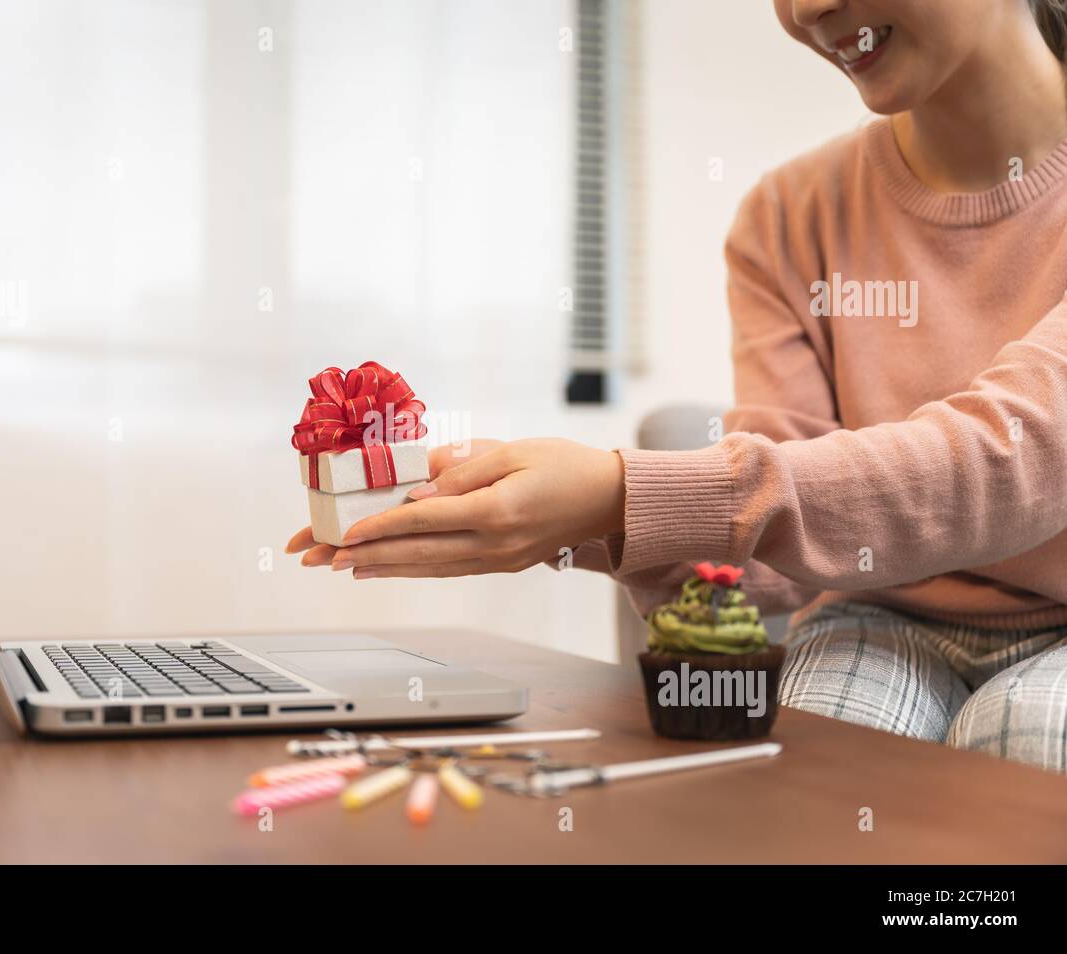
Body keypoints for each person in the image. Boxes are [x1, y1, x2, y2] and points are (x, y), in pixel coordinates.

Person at [287, 0, 1067, 773]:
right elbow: (779, 551)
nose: (808, 9)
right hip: (880, 616)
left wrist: (620, 493)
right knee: (819, 761)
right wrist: (566, 521)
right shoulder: (788, 216)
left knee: (1024, 737)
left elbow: (1015, 457)